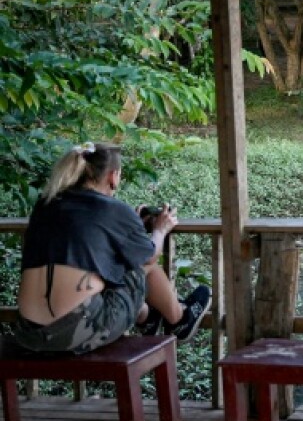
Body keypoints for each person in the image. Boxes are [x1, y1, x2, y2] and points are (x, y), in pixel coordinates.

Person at [15, 142, 213, 355]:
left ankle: (146, 316)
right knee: (143, 265)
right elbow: (148, 255)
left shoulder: (45, 205)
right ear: (113, 176)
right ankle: (179, 319)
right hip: (74, 332)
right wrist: (161, 230)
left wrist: (131, 225)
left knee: (111, 271)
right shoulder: (112, 208)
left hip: (28, 332)